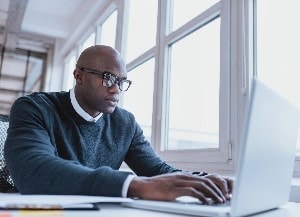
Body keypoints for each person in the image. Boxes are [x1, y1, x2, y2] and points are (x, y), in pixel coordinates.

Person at [4, 45, 232, 204]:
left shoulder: (125, 124)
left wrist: (206, 180)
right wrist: (134, 185)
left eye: (122, 82)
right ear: (79, 75)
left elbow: (158, 172)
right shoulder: (35, 108)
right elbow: (33, 170)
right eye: (108, 78)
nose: (116, 89)